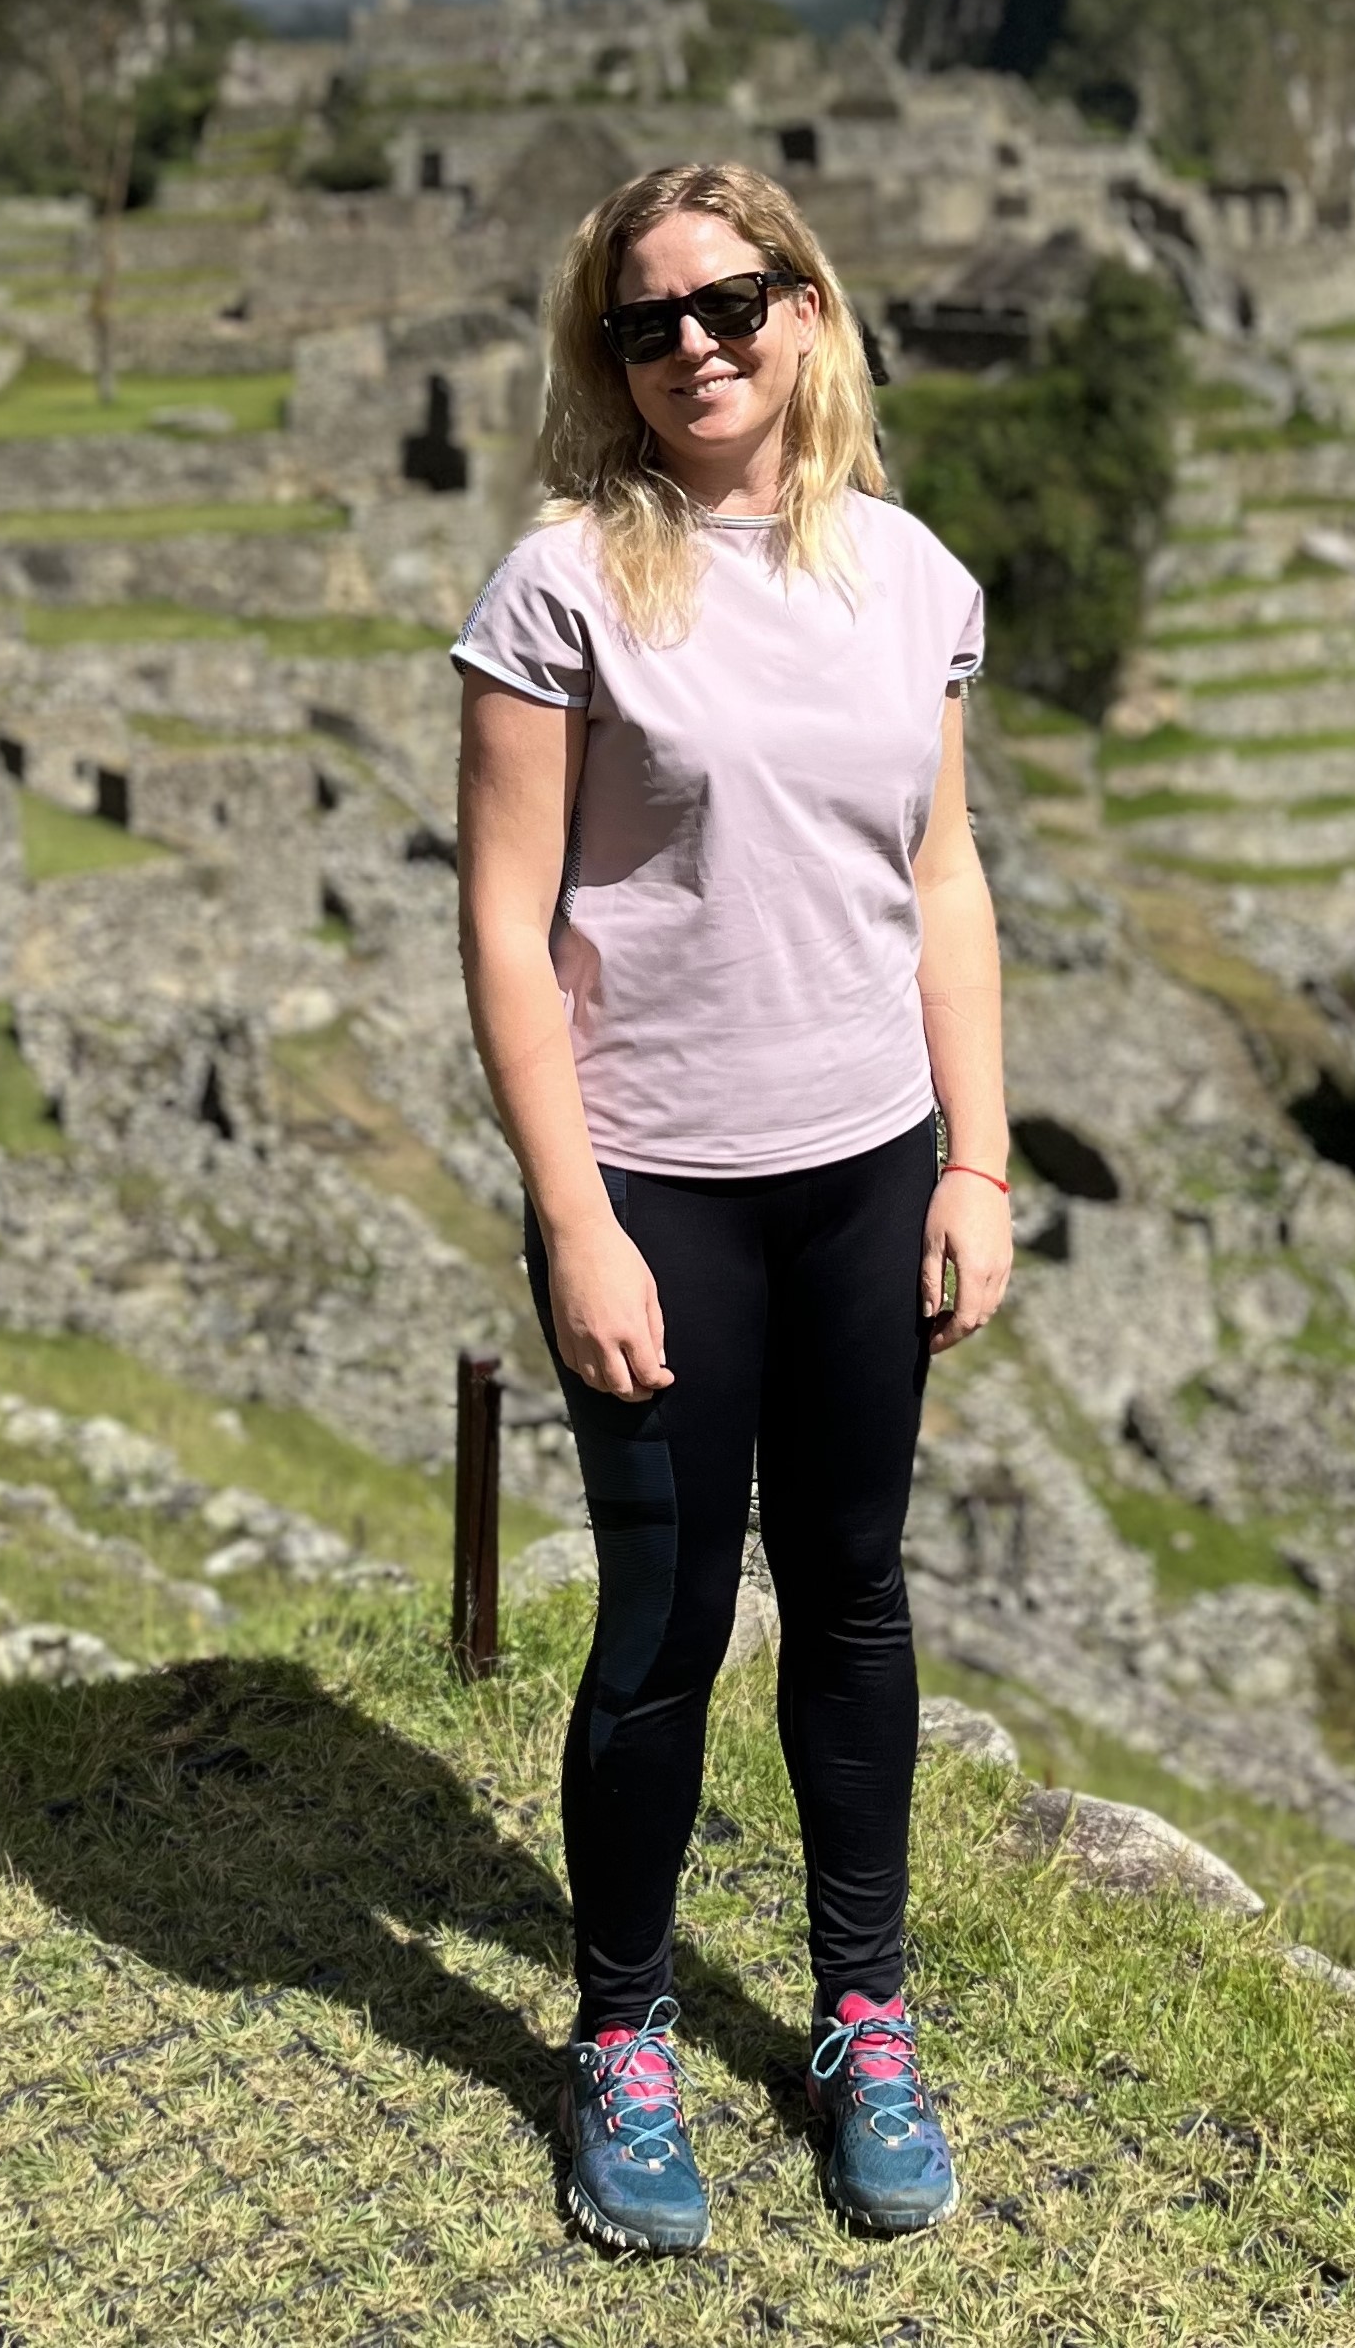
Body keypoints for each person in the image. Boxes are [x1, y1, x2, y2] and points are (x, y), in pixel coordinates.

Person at [453, 160, 1012, 2254]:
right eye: (643, 316)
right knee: (669, 1616)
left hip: (866, 1162)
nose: (694, 340)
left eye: (730, 299)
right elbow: (510, 931)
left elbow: (939, 875)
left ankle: (862, 2013)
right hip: (658, 1178)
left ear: (806, 309)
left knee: (853, 1589)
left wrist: (976, 1152)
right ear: (602, 353)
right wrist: (576, 1217)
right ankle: (622, 2031)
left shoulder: (910, 576)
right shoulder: (564, 585)